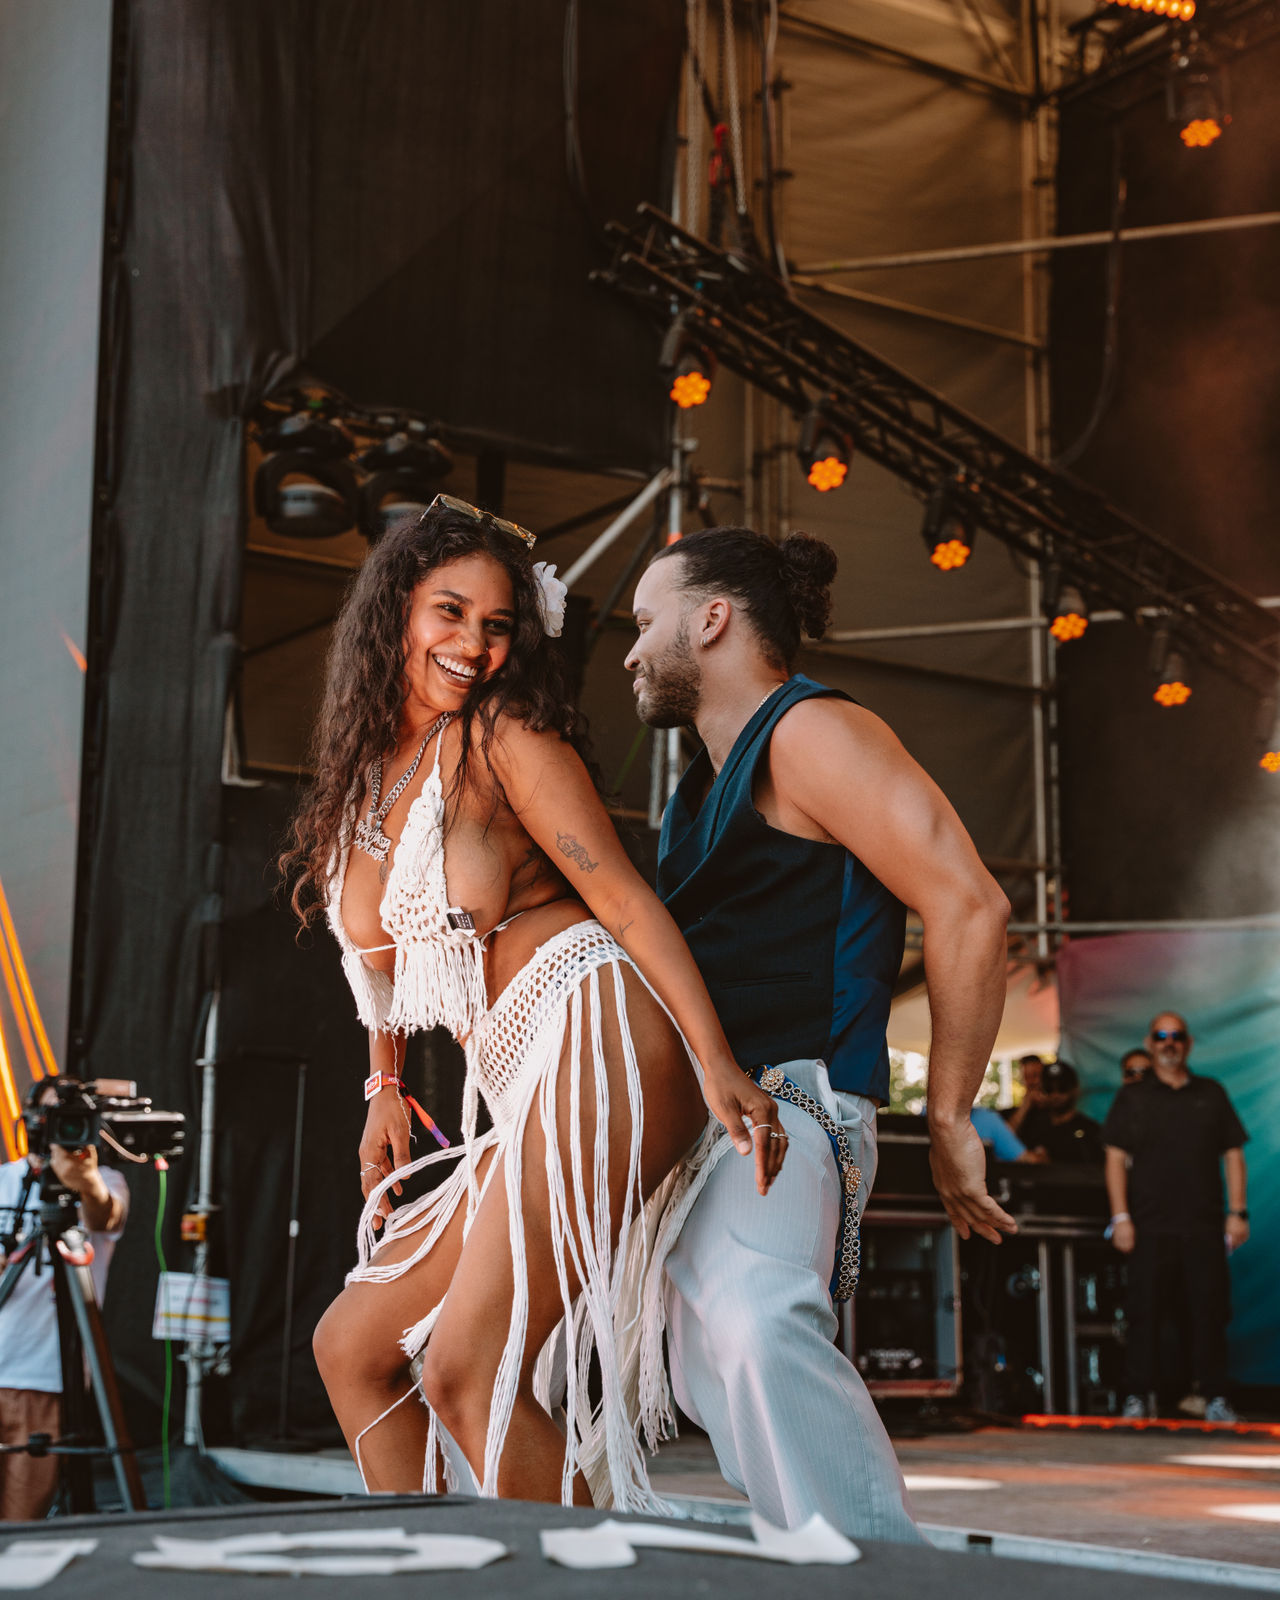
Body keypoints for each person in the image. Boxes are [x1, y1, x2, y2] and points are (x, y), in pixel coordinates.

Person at [287, 498, 786, 1510]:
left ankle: (584, 1575)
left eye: (497, 623)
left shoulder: (501, 735)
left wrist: (716, 1060)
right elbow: (378, 967)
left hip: (595, 1025)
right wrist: (384, 1085)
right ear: (396, 612)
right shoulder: (362, 780)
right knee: (352, 1348)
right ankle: (437, 1565)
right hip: (522, 1081)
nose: (473, 644)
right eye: (450, 611)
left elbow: (626, 901)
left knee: (470, 1367)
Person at [627, 525, 1014, 1542]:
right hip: (716, 1112)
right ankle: (821, 1556)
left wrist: (949, 1118)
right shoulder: (700, 786)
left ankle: (875, 1571)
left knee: (755, 1320)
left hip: (794, 1099)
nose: (630, 651)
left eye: (644, 622)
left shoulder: (810, 731)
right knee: (711, 1365)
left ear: (712, 618)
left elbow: (970, 904)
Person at [1102, 1010, 1249, 1422]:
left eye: (1177, 1035)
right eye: (1162, 1035)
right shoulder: (1132, 1097)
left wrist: (1238, 1212)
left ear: (1188, 1043)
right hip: (1148, 1225)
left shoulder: (1211, 1093)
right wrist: (1121, 1217)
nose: (1170, 1042)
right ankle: (1138, 1396)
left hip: (1203, 1224)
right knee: (1143, 1312)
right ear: (1150, 1043)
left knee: (1209, 1312)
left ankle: (1215, 1397)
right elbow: (1114, 1158)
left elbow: (1233, 1154)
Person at [0, 1093, 129, 1522]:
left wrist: (84, 1179)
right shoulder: (4, 1180)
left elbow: (105, 1216)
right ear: (32, 1120)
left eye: (73, 1115)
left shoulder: (106, 1180)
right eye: (54, 1113)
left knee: (21, 1523)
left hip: (44, 1377)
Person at [1016, 1061, 1104, 1165]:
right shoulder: (1031, 1124)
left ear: (1075, 1090)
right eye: (1049, 1089)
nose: (1055, 1095)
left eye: (1062, 1088)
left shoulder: (1090, 1130)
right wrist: (1025, 1106)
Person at [1001, 1053, 1045, 1133]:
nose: (1031, 1082)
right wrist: (1024, 1106)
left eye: (1035, 1075)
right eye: (1026, 1077)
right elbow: (1005, 1134)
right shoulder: (1013, 1113)